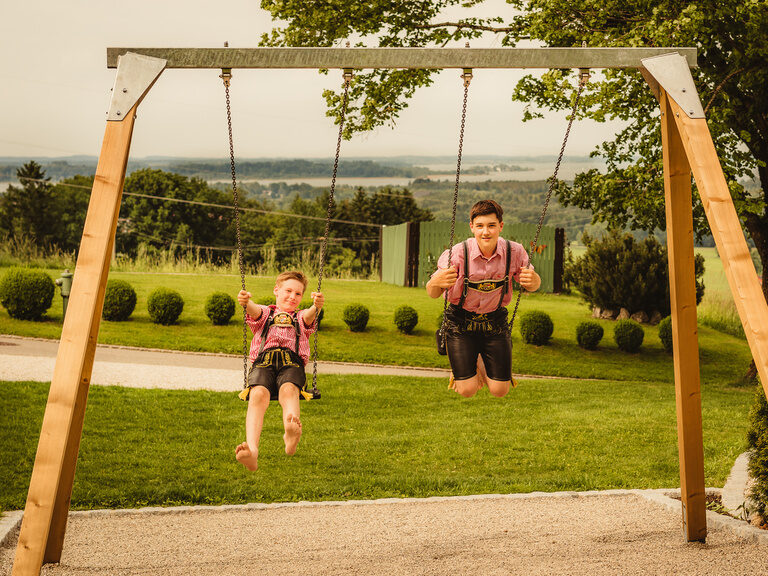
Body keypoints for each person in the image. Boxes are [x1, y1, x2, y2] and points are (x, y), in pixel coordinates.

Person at [426, 199, 541, 398]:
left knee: (500, 390)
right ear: (471, 227)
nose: (485, 232)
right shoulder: (457, 254)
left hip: (494, 323)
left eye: (491, 226)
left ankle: (478, 357)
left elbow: (532, 284)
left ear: (500, 226)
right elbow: (433, 293)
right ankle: (466, 362)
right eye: (479, 226)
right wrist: (436, 282)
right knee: (467, 390)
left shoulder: (514, 252)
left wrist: (535, 280)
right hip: (460, 324)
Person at [234, 270, 324, 471]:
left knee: (289, 389)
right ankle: (252, 451)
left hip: (291, 363)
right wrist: (246, 302)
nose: (292, 296)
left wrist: (315, 307)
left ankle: (291, 433)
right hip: (263, 362)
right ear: (276, 290)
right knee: (257, 394)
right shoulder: (266, 313)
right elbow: (253, 310)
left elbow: (309, 317)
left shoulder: (300, 317)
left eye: (298, 294)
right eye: (288, 291)